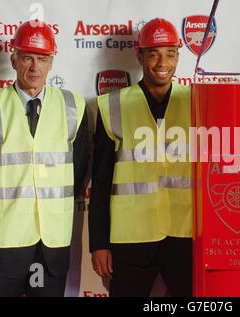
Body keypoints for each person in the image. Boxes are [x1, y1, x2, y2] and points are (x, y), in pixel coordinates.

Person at [0, 20, 88, 297]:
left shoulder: (74, 107)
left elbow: (78, 173)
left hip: (50, 247)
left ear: (51, 62)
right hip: (3, 245)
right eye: (27, 58)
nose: (35, 67)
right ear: (14, 59)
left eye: (42, 59)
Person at [89, 18, 192, 297]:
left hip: (186, 237)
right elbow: (100, 181)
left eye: (170, 54)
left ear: (178, 57)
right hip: (130, 239)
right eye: (154, 53)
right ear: (140, 56)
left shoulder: (197, 101)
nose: (163, 62)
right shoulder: (112, 105)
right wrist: (99, 243)